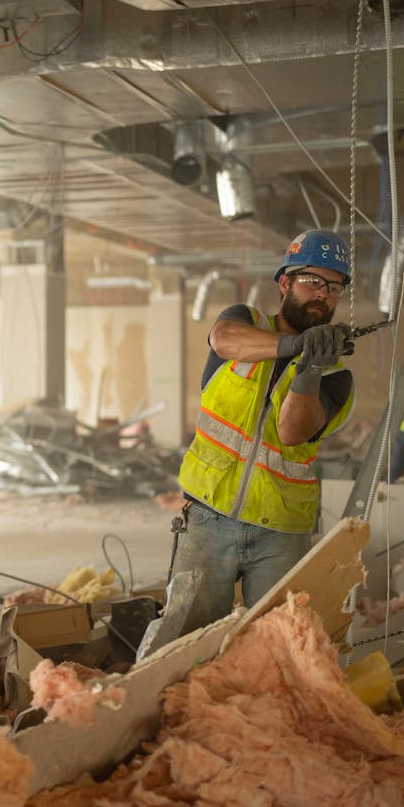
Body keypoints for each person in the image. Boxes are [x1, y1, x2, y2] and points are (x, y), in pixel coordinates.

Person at [158, 229, 357, 645]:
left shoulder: (338, 378)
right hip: (209, 517)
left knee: (279, 649)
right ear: (285, 284)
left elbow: (291, 431)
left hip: (280, 531)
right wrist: (296, 344)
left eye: (334, 287)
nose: (323, 295)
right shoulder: (246, 322)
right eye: (312, 282)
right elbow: (223, 339)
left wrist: (309, 368)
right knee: (181, 642)